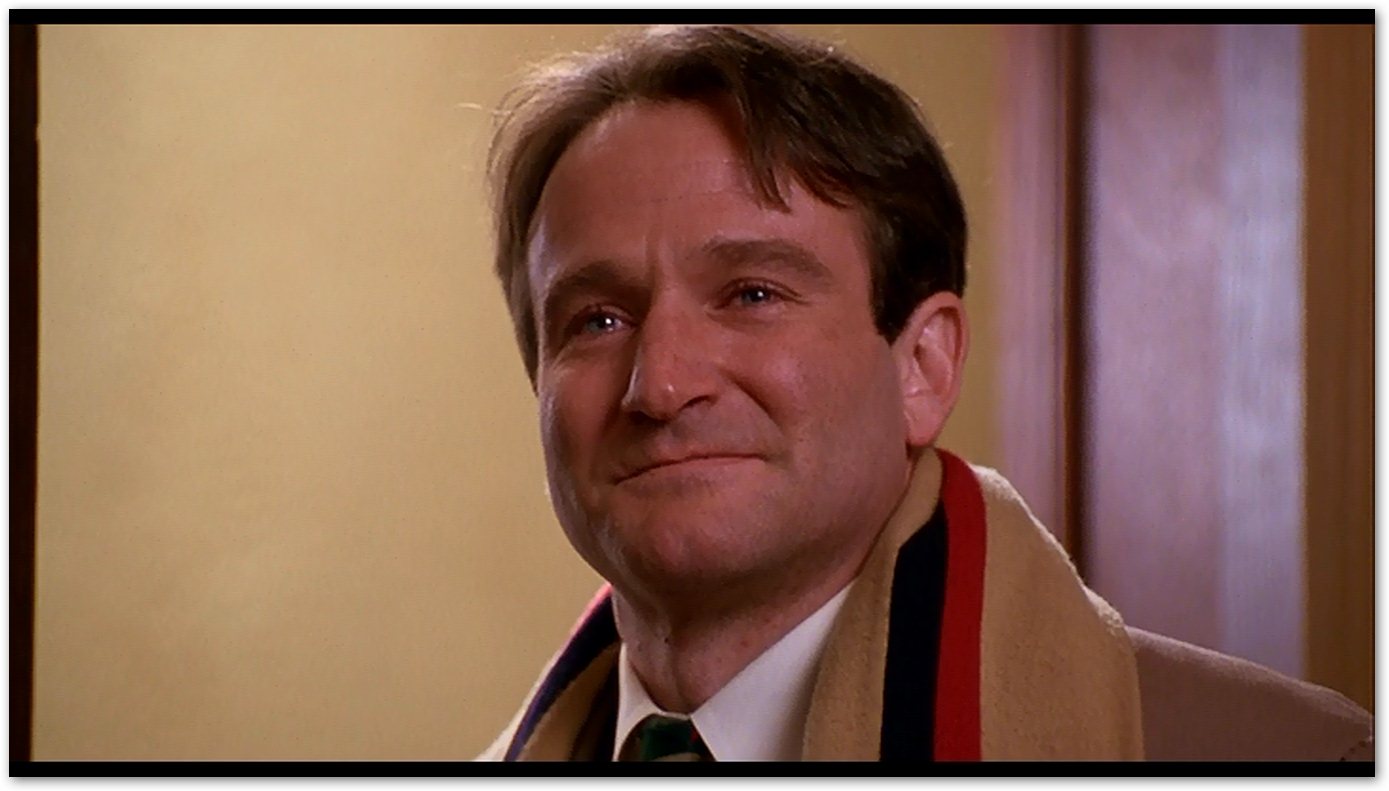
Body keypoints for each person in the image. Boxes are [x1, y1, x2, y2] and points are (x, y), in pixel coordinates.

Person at [476, 25, 1372, 762]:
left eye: (751, 294)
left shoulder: (1286, 758)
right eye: (596, 319)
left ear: (922, 367)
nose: (661, 384)